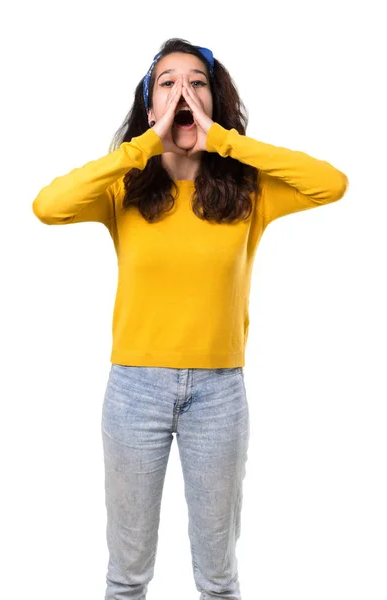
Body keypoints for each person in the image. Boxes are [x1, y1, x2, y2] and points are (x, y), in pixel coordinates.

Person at [32, 37, 349, 600]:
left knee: (218, 578)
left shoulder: (250, 190)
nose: (184, 92)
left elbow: (332, 183)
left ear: (215, 100)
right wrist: (140, 148)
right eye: (168, 83)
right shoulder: (123, 190)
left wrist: (223, 139)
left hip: (219, 394)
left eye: (197, 83)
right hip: (134, 391)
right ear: (150, 107)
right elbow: (47, 206)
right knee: (127, 576)